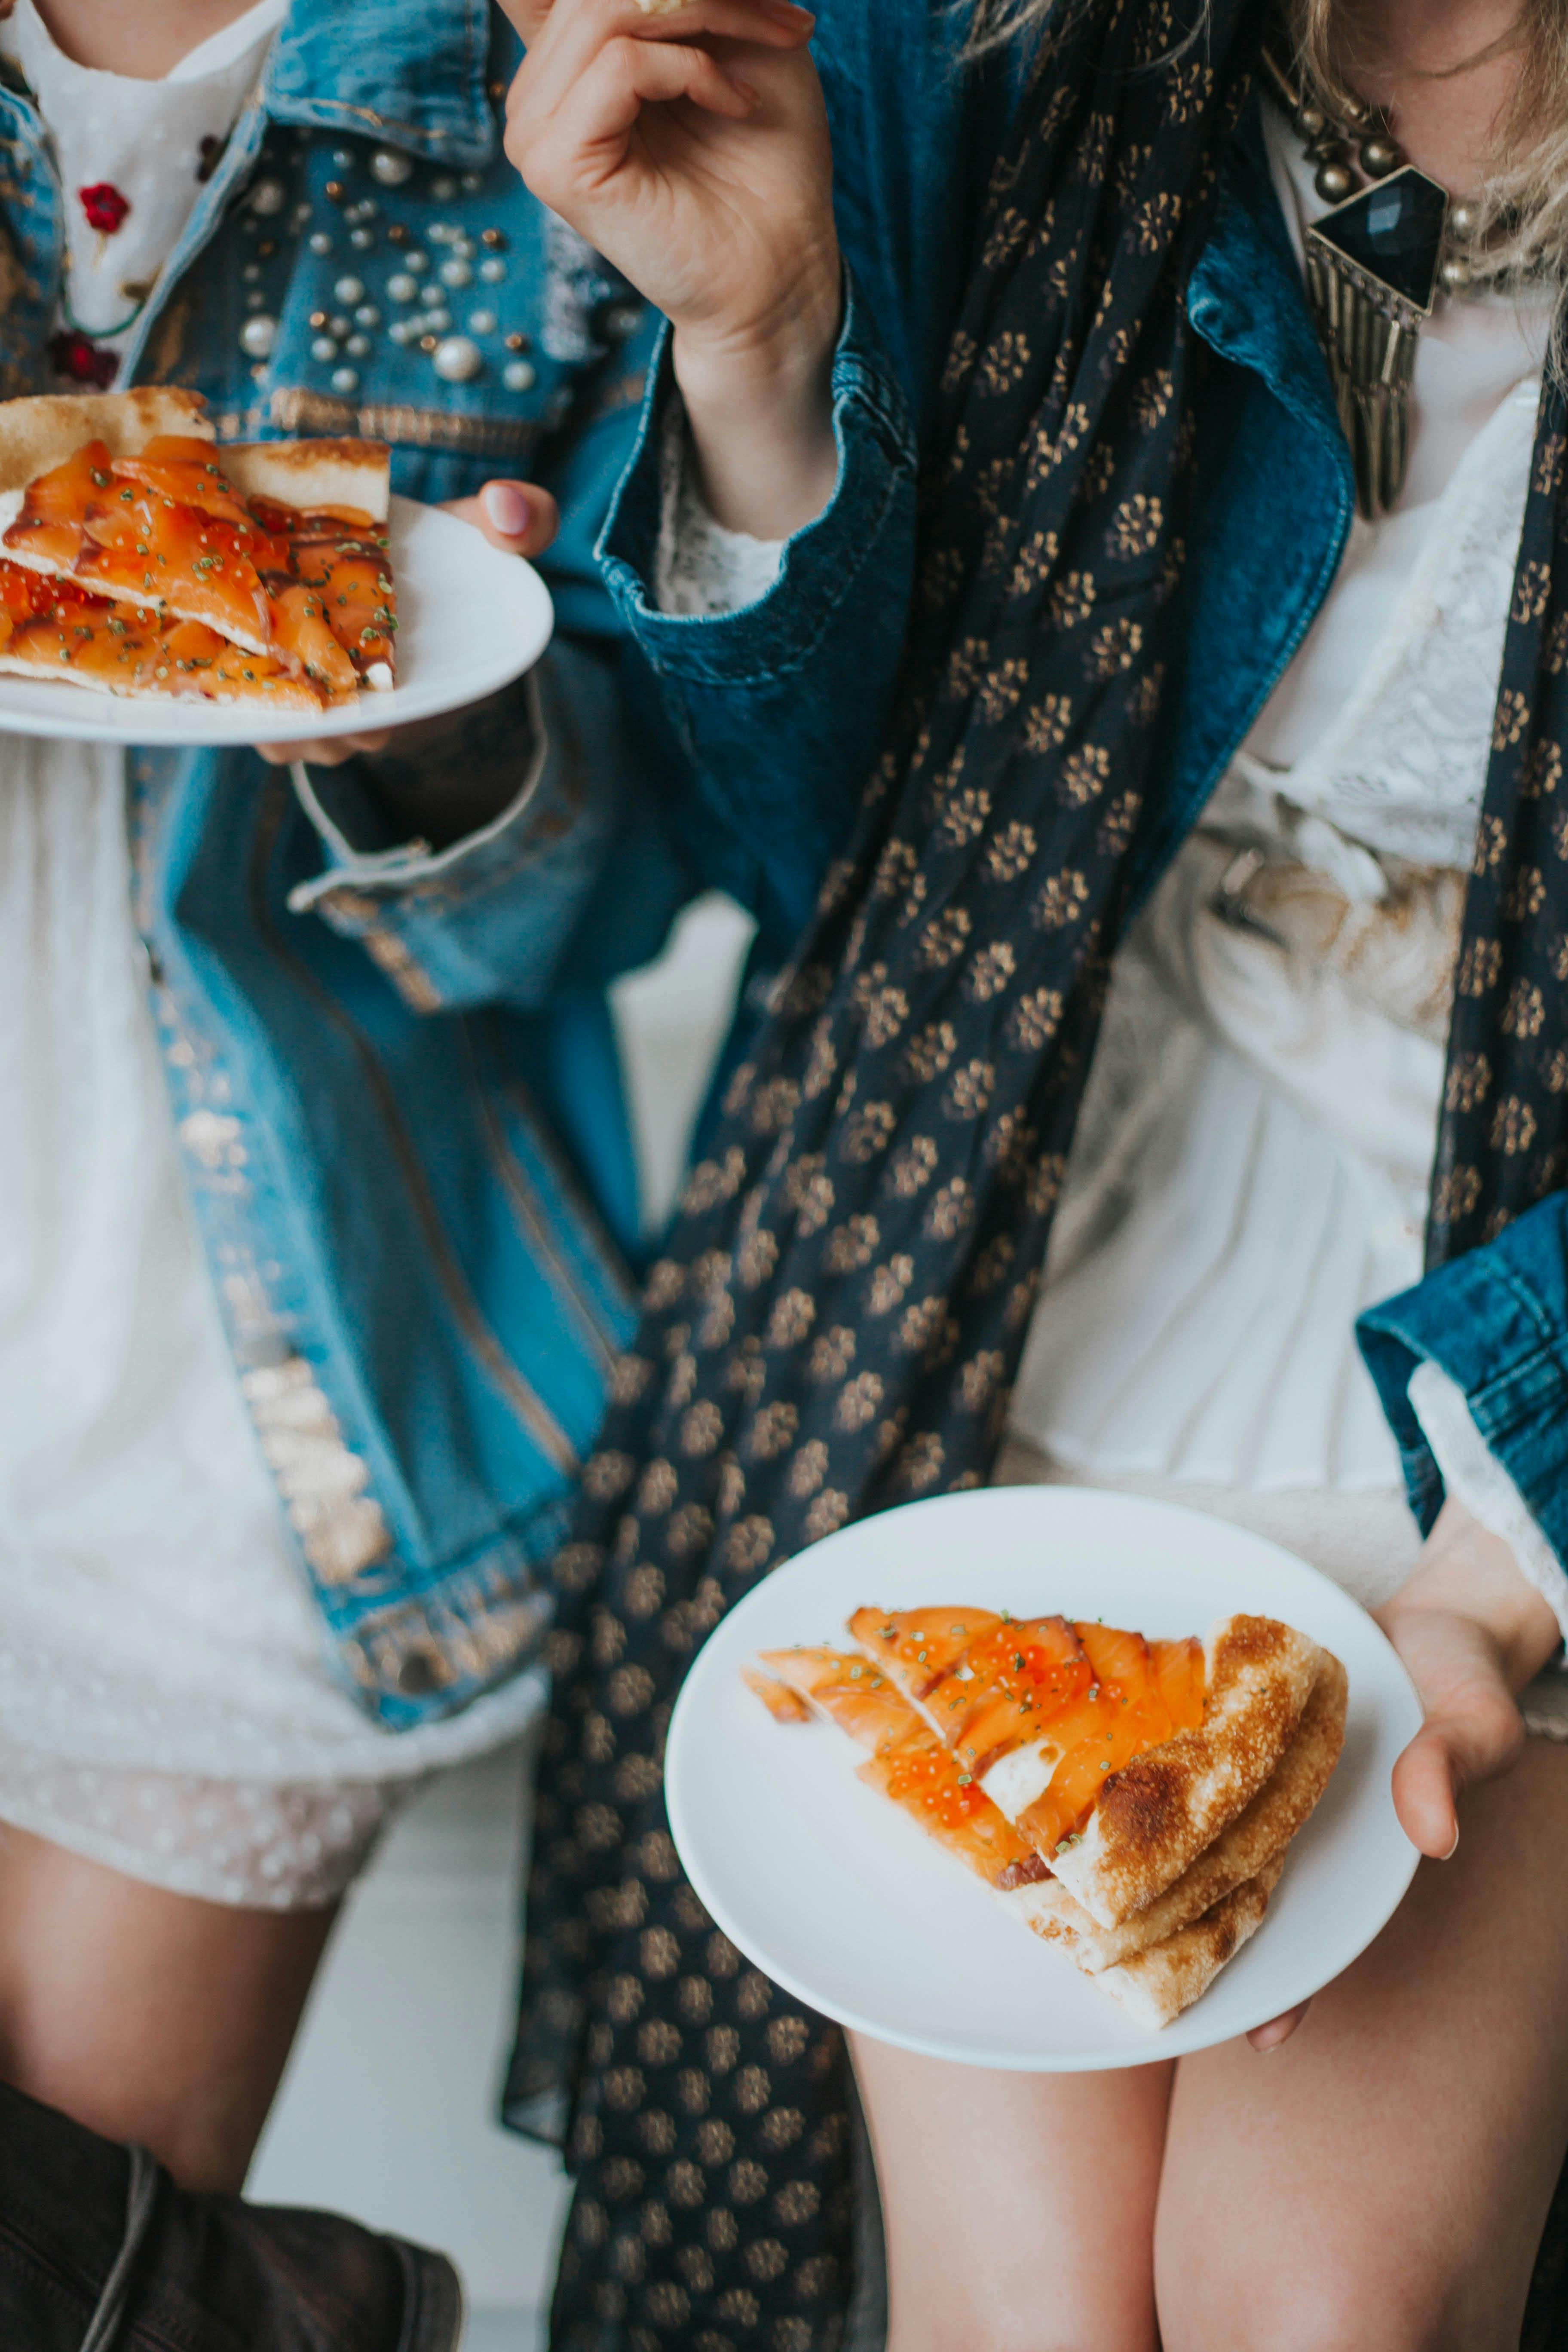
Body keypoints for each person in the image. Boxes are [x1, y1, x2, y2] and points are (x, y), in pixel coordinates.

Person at [490, 0, 1568, 2344]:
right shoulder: (973, 47)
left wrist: (1491, 1595)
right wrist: (759, 354)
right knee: (1023, 2317)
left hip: (1522, 1347)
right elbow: (834, 883)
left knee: (1330, 2311)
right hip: (988, 1264)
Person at [0, 0, 818, 2203]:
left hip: (274, 1404)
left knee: (88, 2285)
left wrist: (426, 743)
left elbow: (659, 883)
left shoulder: (572, 77)